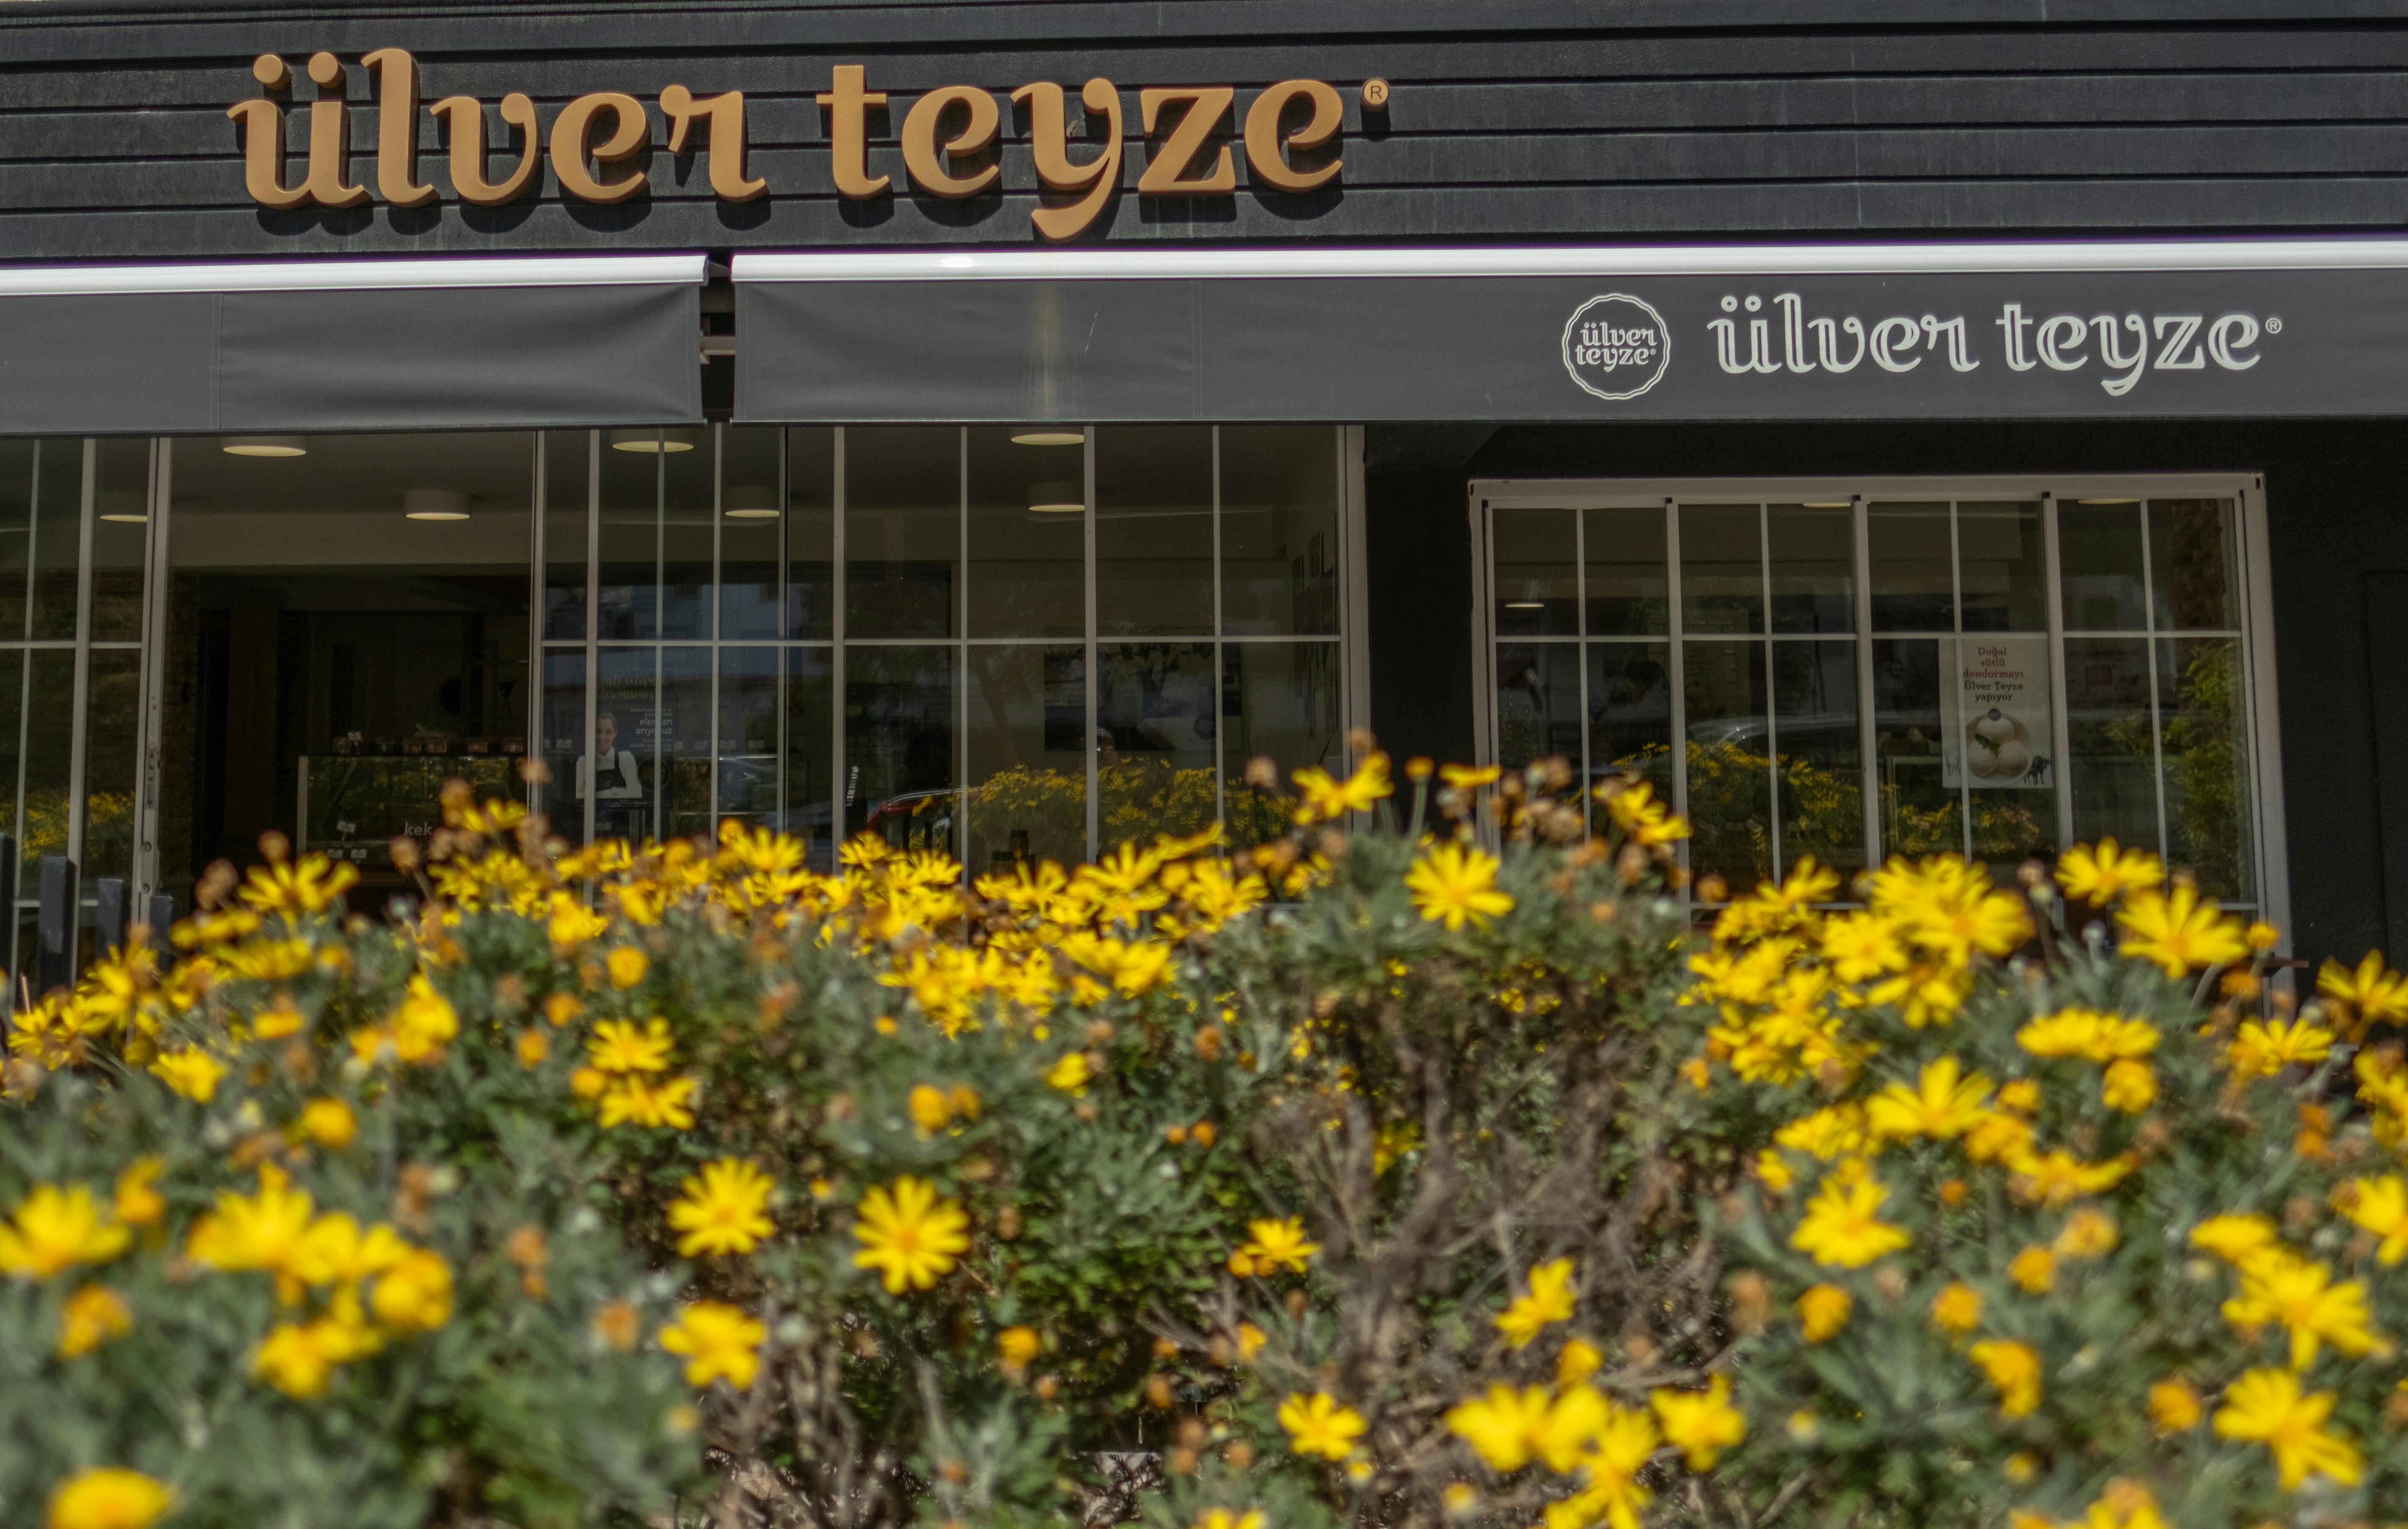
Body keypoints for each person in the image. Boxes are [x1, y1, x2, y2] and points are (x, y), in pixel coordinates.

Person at [577, 712, 644, 835]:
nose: (603, 737)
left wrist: (599, 793)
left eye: (608, 732)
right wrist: (620, 791)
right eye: (598, 732)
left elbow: (636, 793)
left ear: (615, 734)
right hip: (589, 828)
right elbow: (579, 795)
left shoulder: (626, 758)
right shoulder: (583, 762)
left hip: (622, 828)